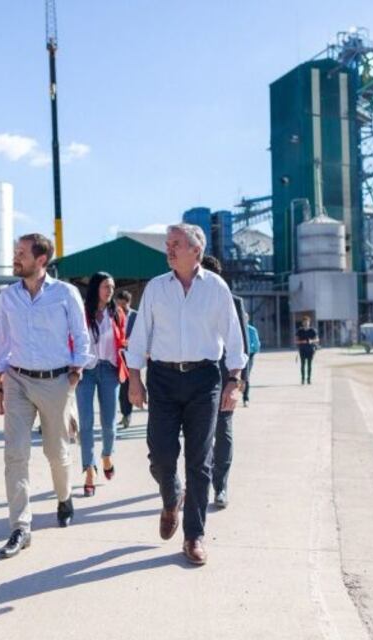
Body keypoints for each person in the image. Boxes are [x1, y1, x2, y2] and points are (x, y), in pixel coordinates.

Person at [127, 224, 246, 566]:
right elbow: (139, 338)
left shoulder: (216, 288)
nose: (169, 249)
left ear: (196, 249)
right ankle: (171, 497)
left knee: (199, 460)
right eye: (167, 244)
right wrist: (134, 379)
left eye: (176, 244)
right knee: (161, 455)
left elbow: (234, 336)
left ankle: (194, 535)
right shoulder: (155, 288)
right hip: (163, 377)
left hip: (204, 379)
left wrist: (234, 380)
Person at [0, 233, 92, 559]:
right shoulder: (8, 296)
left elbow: (81, 335)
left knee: (55, 452)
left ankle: (64, 497)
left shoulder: (65, 294)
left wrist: (75, 372)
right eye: (16, 251)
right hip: (17, 380)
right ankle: (20, 526)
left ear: (41, 260)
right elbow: (1, 341)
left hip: (56, 381)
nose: (15, 258)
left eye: (21, 253)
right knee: (15, 455)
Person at [199, 255, 248, 511]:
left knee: (223, 431)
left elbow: (242, 345)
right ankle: (200, 481)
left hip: (225, 377)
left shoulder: (233, 302)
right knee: (200, 435)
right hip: (197, 381)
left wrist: (239, 383)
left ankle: (221, 486)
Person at [75, 272, 129, 497]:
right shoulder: (82, 313)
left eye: (112, 287)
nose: (110, 291)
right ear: (96, 287)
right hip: (85, 372)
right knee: (85, 423)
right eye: (106, 286)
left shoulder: (117, 313)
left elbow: (122, 340)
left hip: (109, 371)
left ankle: (107, 454)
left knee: (109, 422)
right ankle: (89, 469)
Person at [115, 290, 137, 429]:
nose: (121, 308)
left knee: (126, 387)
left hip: (131, 357)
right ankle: (124, 414)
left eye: (124, 305)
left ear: (129, 303)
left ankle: (127, 414)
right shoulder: (113, 314)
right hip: (116, 356)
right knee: (118, 388)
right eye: (119, 305)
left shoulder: (137, 316)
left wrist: (131, 341)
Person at [295, 316, 319, 385]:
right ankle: (302, 379)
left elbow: (317, 339)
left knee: (309, 365)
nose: (306, 323)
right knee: (302, 365)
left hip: (311, 350)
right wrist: (302, 342)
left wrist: (312, 341)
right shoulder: (299, 331)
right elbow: (296, 341)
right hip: (302, 349)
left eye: (307, 322)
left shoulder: (313, 330)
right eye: (304, 322)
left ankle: (309, 379)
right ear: (302, 323)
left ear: (309, 322)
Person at [244, 318, 260, 407]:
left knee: (246, 377)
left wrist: (251, 350)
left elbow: (257, 344)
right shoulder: (237, 329)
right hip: (238, 355)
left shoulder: (252, 330)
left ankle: (245, 398)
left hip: (249, 355)